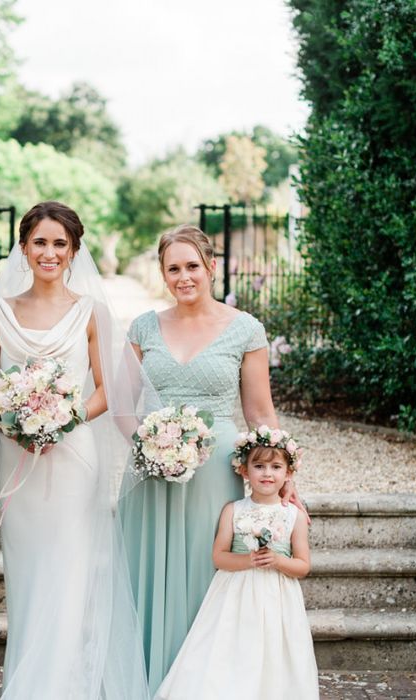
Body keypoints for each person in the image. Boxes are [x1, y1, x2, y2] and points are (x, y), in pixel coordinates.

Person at [119, 224, 306, 692]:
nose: (184, 277)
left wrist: (285, 477)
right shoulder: (143, 327)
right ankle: (147, 679)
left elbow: (259, 409)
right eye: (173, 268)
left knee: (211, 570)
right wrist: (148, 446)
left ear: (211, 268)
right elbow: (123, 403)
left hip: (217, 467)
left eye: (192, 267)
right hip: (153, 467)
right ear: (163, 274)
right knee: (150, 569)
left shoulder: (245, 328)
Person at [0, 201, 149, 699]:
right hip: (16, 460)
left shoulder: (91, 312)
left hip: (74, 460)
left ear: (74, 251)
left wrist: (62, 421)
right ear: (24, 247)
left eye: (59, 244)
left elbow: (105, 389)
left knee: (71, 570)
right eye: (40, 242)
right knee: (28, 574)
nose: (49, 252)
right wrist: (14, 424)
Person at [155, 432, 319, 699]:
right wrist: (247, 560)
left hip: (277, 596)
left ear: (289, 473)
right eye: (259, 466)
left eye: (276, 467)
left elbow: (303, 566)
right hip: (235, 592)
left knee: (272, 650)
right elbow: (219, 557)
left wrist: (278, 560)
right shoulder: (233, 510)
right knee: (232, 647)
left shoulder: (294, 515)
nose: (267, 473)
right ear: (244, 471)